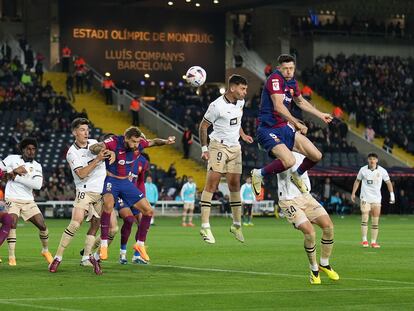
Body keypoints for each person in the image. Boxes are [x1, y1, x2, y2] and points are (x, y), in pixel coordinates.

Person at [251, 54, 333, 197]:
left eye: (291, 68)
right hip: (268, 129)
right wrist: (296, 123)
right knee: (289, 161)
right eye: (285, 69)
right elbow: (278, 106)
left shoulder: (292, 82)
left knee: (316, 155)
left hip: (284, 128)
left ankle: (297, 174)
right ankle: (258, 174)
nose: (289, 71)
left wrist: (320, 114)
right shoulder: (274, 79)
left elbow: (300, 101)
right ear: (279, 68)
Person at [89, 127, 175, 262]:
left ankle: (140, 244)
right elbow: (93, 147)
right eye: (134, 142)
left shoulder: (139, 144)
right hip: (112, 180)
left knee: (148, 211)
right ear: (126, 138)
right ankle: (104, 244)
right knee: (109, 205)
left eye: (138, 142)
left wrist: (166, 141)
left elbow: (153, 142)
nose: (136, 145)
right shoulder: (114, 141)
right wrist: (104, 151)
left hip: (126, 183)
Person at [48, 118, 115, 274]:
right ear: (74, 132)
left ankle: (87, 257)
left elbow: (101, 148)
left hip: (100, 192)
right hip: (84, 191)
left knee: (96, 225)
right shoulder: (72, 153)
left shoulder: (93, 142)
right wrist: (98, 159)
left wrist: (108, 151)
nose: (86, 132)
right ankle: (57, 258)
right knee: (75, 223)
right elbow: (82, 174)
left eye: (87, 129)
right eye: (82, 130)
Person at [198, 74, 253, 244]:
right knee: (212, 183)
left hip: (235, 147)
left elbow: (237, 121)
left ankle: (236, 225)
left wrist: (243, 135)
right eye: (242, 89)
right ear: (233, 88)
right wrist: (204, 148)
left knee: (235, 184)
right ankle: (205, 226)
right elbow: (203, 126)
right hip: (218, 146)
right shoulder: (216, 106)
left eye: (246, 89)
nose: (245, 92)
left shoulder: (241, 102)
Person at [277, 152, 339, 284]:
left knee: (329, 227)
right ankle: (314, 269)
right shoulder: (280, 152)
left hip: (306, 197)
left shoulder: (304, 153)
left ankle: (324, 263)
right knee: (310, 232)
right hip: (288, 201)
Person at [1, 137, 53, 266]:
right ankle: (12, 257)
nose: (31, 151)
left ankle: (45, 250)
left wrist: (16, 176)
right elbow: (2, 174)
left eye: (33, 149)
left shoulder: (37, 166)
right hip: (11, 198)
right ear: (23, 149)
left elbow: (37, 185)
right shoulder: (11, 159)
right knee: (12, 223)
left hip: (28, 201)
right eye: (28, 149)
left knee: (42, 225)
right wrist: (13, 172)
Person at [351, 153, 395, 248]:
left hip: (376, 199)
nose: (372, 160)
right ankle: (364, 241)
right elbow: (357, 181)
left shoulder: (382, 171)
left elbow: (388, 182)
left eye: (374, 159)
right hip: (365, 198)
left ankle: (374, 242)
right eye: (370, 159)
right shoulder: (363, 170)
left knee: (375, 221)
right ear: (368, 160)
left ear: (377, 160)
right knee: (365, 218)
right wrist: (353, 193)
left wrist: (392, 194)